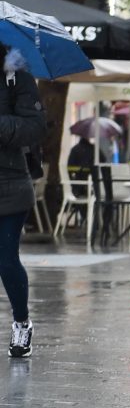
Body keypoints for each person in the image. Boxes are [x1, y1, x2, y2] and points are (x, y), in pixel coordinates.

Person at [0, 45, 45, 357]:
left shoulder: (17, 76)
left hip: (10, 183)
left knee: (5, 258)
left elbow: (34, 128)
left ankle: (22, 323)